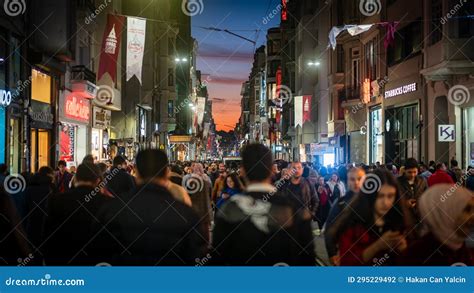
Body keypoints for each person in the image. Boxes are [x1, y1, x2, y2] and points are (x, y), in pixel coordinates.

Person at [96, 149, 207, 265]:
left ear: (136, 172)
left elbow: (99, 253)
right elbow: (196, 257)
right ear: (166, 173)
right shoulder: (187, 214)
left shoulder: (113, 210)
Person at [212, 144, 315, 265]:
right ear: (272, 169)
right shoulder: (293, 208)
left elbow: (217, 260)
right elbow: (308, 260)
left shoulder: (229, 209)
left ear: (243, 171)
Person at [332, 169, 406, 266]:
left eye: (390, 196)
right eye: (380, 196)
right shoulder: (352, 222)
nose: (386, 202)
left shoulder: (400, 222)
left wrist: (404, 250)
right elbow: (347, 262)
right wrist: (377, 246)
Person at [44, 163, 112, 265]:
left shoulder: (56, 200)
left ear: (75, 179)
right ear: (98, 181)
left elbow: (46, 234)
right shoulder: (107, 203)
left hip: (63, 262)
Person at [401, 184, 473, 265]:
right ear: (447, 211)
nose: (472, 217)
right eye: (467, 210)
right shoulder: (417, 255)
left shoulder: (460, 246)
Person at [324, 167, 365, 265]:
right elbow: (330, 229)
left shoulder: (373, 201)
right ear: (347, 181)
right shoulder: (340, 203)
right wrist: (332, 253)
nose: (356, 182)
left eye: (359, 179)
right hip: (347, 254)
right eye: (352, 179)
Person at [24, 166, 55, 258]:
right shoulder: (50, 188)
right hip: (46, 225)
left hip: (30, 225)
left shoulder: (29, 187)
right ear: (49, 175)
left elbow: (25, 206)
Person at [397, 158, 427, 239]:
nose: (412, 175)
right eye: (409, 172)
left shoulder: (422, 181)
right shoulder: (397, 182)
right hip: (403, 219)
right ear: (404, 171)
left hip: (419, 218)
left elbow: (427, 196)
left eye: (415, 172)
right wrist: (404, 204)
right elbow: (392, 201)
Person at [182, 163, 212, 244]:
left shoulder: (189, 180)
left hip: (193, 208)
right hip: (205, 207)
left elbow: (186, 194)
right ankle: (205, 247)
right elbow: (210, 193)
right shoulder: (207, 179)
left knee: (194, 229)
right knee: (205, 228)